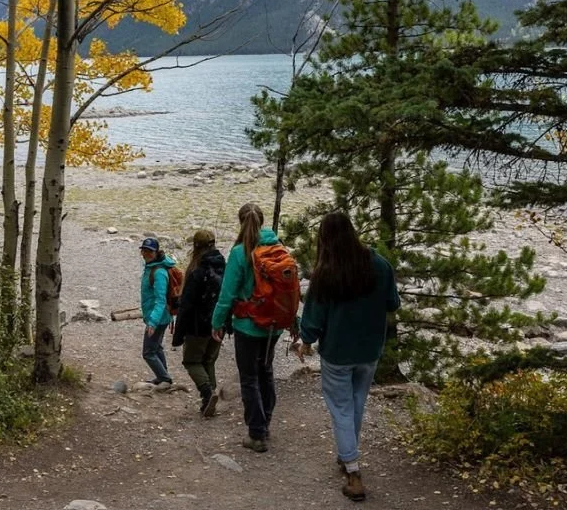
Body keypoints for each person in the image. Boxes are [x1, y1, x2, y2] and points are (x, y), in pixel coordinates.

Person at [294, 211, 401, 503]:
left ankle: (353, 471)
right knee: (355, 404)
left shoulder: (326, 272)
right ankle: (346, 455)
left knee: (341, 407)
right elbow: (393, 302)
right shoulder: (380, 265)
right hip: (369, 350)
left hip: (338, 352)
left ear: (325, 240)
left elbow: (313, 319)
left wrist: (306, 341)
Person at [211, 202, 292, 453]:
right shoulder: (278, 248)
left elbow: (227, 295)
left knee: (249, 378)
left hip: (248, 325)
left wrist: (216, 323)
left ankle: (256, 434)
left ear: (240, 222)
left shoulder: (239, 253)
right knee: (266, 372)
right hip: (274, 326)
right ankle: (265, 422)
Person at [170, 229, 226, 417]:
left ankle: (207, 393)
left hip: (198, 325)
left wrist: (178, 335)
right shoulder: (223, 266)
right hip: (219, 323)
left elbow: (187, 305)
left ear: (196, 247)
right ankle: (210, 400)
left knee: (192, 361)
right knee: (209, 360)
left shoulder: (196, 271)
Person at [138, 237, 176, 389]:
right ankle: (163, 378)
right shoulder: (150, 267)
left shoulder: (159, 272)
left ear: (156, 252)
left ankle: (164, 378)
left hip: (159, 318)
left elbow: (160, 300)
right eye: (144, 250)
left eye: (149, 251)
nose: (146, 253)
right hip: (158, 316)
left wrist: (152, 322)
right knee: (157, 347)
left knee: (148, 352)